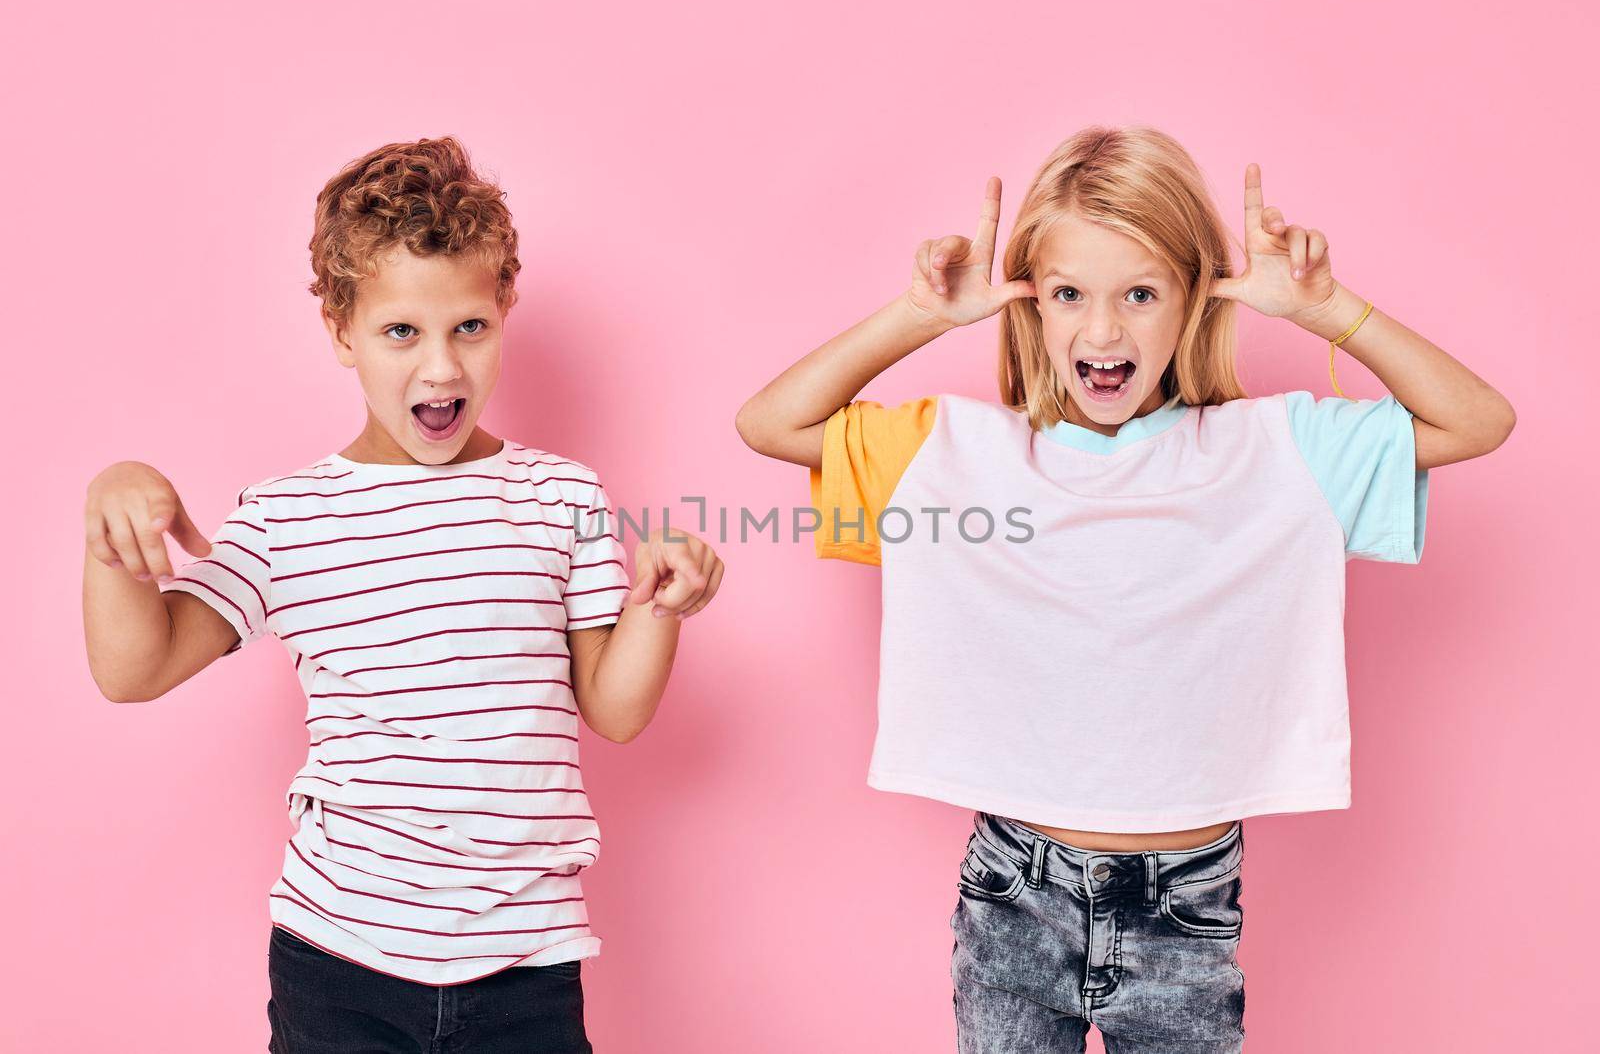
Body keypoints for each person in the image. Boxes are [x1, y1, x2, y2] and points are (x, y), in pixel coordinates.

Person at [735, 125, 1513, 1052]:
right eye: (1068, 294)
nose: (1102, 331)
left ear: (1192, 301)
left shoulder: (1274, 452)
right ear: (1030, 305)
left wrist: (1328, 310)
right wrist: (920, 316)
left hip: (1183, 904)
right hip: (1012, 890)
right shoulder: (959, 455)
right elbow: (770, 421)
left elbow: (1478, 420)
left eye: (1141, 294)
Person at [82, 136, 724, 1053]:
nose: (440, 368)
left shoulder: (562, 497)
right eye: (400, 332)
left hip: (526, 958)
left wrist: (658, 608)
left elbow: (613, 711)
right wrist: (114, 504)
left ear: (505, 309)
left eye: (470, 326)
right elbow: (132, 670)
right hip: (341, 959)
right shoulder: (286, 517)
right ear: (342, 332)